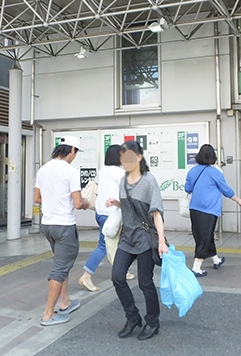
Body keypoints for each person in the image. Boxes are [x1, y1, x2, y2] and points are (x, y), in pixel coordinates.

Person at [106, 140, 167, 341]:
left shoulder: (149, 181)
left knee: (145, 282)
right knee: (117, 276)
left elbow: (156, 212)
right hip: (127, 237)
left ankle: (152, 322)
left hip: (145, 237)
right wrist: (117, 203)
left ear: (139, 157)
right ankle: (133, 317)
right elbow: (129, 207)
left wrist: (161, 241)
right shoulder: (123, 181)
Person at [34, 136, 90, 326]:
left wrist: (54, 200)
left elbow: (37, 198)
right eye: (76, 153)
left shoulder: (43, 169)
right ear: (72, 150)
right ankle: (48, 314)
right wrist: (86, 203)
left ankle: (65, 301)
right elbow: (77, 203)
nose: (75, 156)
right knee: (59, 268)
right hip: (64, 225)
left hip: (48, 225)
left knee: (61, 262)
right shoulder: (70, 171)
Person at [185, 144, 241, 276]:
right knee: (205, 238)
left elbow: (188, 189)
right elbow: (225, 190)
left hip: (194, 209)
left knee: (204, 235)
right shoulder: (215, 172)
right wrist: (237, 199)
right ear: (213, 156)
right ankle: (196, 267)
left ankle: (216, 260)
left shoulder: (192, 171)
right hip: (209, 210)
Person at [78, 145, 126, 292]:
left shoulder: (103, 170)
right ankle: (86, 276)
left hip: (100, 212)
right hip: (112, 214)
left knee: (118, 243)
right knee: (104, 246)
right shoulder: (121, 173)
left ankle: (122, 271)